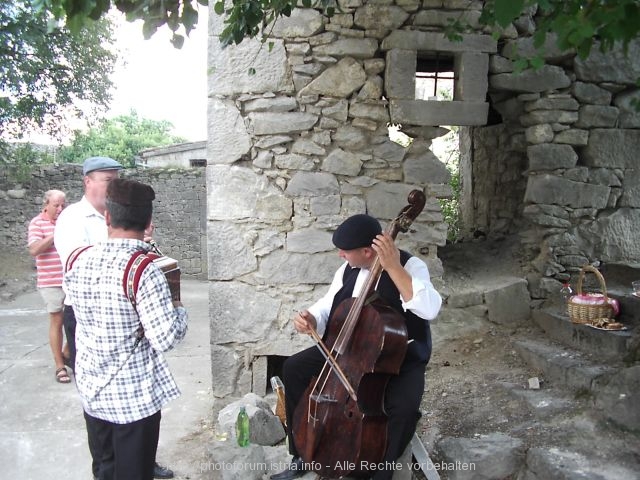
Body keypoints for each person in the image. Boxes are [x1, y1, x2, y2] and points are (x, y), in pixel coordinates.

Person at [271, 214, 442, 480]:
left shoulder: (411, 265)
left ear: (367, 251)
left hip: (397, 357)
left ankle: (381, 472)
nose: (340, 255)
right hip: (350, 348)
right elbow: (329, 303)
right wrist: (312, 318)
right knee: (294, 368)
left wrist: (394, 268)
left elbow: (429, 309)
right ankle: (301, 453)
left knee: (404, 409)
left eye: (345, 251)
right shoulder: (347, 269)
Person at [54, 157, 176, 480]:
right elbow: (164, 337)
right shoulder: (143, 270)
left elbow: (77, 287)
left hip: (95, 381)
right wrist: (178, 311)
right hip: (133, 394)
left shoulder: (80, 260)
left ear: (108, 216)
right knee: (129, 468)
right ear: (147, 220)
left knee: (106, 462)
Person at [27, 189, 69, 383]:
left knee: (77, 319)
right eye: (56, 205)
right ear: (46, 205)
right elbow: (34, 249)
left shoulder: (69, 222)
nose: (60, 209)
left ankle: (67, 353)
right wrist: (55, 234)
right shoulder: (37, 223)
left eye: (63, 205)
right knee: (57, 320)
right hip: (51, 281)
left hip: (70, 279)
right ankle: (59, 365)